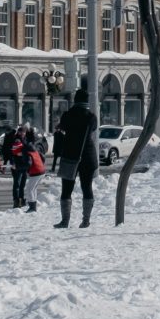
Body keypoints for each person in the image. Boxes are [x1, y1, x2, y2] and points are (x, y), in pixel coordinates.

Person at [54, 88, 99, 228]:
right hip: (88, 156)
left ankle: (65, 221)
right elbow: (93, 129)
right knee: (87, 187)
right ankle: (86, 221)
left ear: (75, 100)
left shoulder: (68, 115)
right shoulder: (91, 117)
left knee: (66, 189)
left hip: (70, 156)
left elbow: (63, 127)